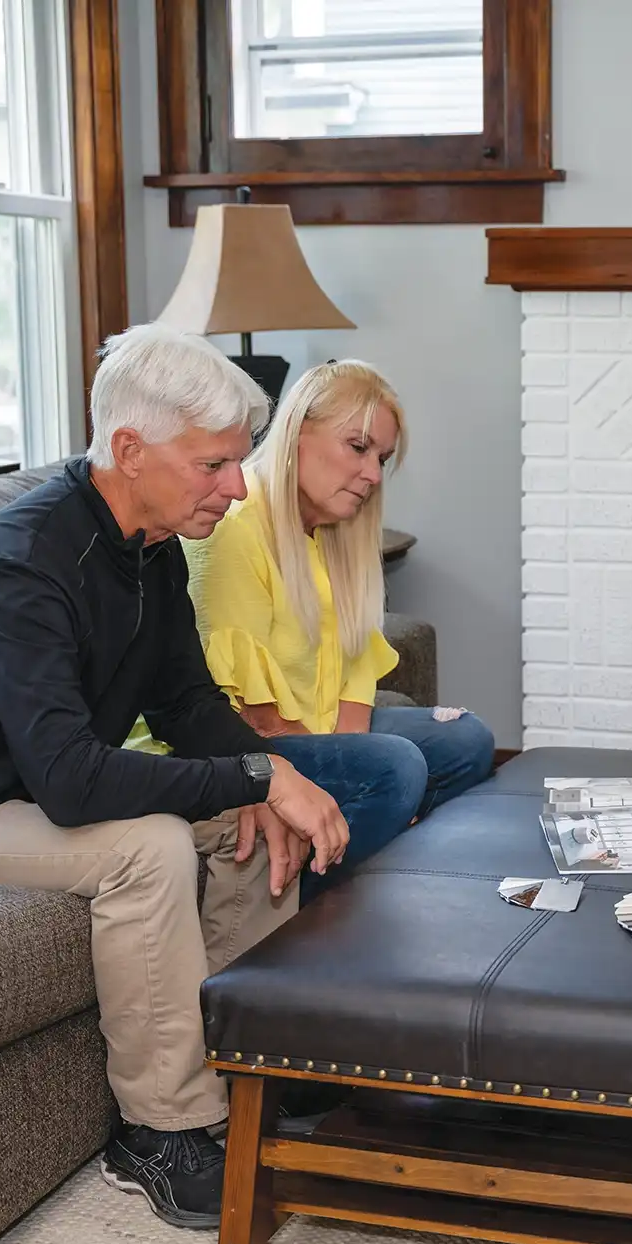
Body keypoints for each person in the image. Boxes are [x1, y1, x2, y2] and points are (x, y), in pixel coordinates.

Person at [0, 325, 423, 1231]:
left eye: (237, 463)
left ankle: (251, 1077)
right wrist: (256, 773)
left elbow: (187, 706)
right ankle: (161, 1130)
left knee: (253, 813)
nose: (236, 486)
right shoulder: (21, 562)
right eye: (214, 465)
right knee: (151, 845)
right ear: (128, 450)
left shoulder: (147, 550)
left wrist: (259, 779)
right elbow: (71, 781)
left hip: (27, 802)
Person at [177, 358, 495, 898]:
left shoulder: (332, 533)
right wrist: (355, 772)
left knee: (467, 738)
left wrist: (351, 761)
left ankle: (381, 864)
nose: (373, 474)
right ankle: (322, 914)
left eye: (382, 458)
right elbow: (254, 713)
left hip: (313, 730)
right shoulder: (235, 527)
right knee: (396, 768)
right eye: (358, 447)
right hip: (248, 748)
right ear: (299, 432)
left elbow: (353, 675)